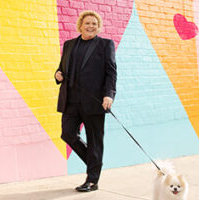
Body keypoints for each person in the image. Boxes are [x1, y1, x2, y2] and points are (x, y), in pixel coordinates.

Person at [54, 10, 117, 192]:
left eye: (94, 24)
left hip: (94, 101)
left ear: (98, 27)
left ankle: (92, 179)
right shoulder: (69, 44)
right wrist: (57, 76)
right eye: (87, 23)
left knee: (95, 140)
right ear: (80, 25)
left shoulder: (105, 45)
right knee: (68, 134)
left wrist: (109, 94)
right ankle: (94, 162)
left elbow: (111, 72)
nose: (91, 26)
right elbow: (61, 69)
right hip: (71, 100)